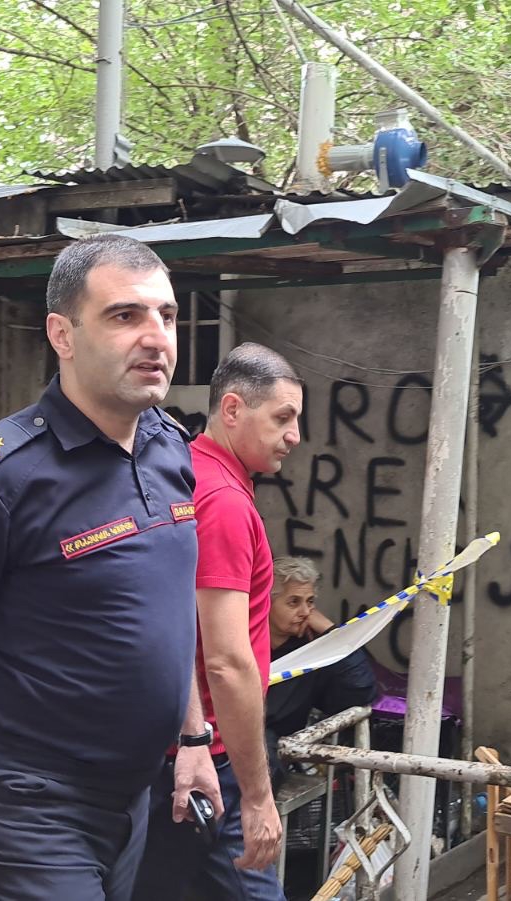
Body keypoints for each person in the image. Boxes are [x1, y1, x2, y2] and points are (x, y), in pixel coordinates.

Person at [0, 234, 220, 901]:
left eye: (167, 315)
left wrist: (193, 738)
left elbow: (168, 608)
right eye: (124, 315)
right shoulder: (2, 474)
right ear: (62, 334)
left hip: (132, 795)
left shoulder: (171, 449)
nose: (156, 337)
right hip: (28, 801)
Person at [133, 343, 304, 901]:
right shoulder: (223, 501)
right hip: (207, 757)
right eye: (282, 418)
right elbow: (226, 661)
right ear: (232, 409)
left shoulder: (187, 472)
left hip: (172, 749)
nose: (294, 436)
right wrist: (257, 795)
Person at [262, 557, 378, 791]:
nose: (305, 612)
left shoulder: (311, 653)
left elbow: (361, 690)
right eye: (293, 602)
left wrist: (330, 632)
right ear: (266, 602)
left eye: (310, 602)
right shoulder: (238, 642)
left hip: (270, 759)